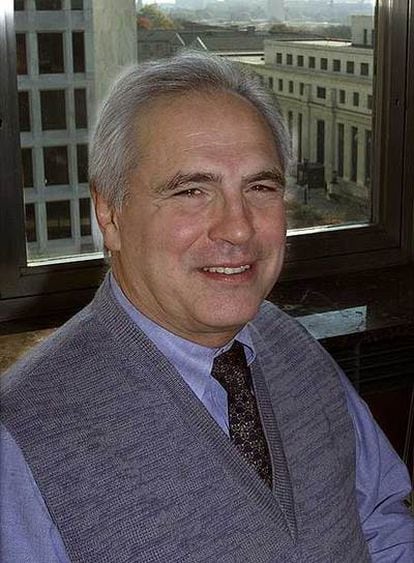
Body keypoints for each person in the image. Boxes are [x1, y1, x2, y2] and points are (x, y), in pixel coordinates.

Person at [1, 51, 413, 563]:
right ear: (109, 214)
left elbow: (378, 519)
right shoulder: (21, 439)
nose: (238, 228)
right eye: (192, 190)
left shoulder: (291, 344)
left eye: (260, 187)